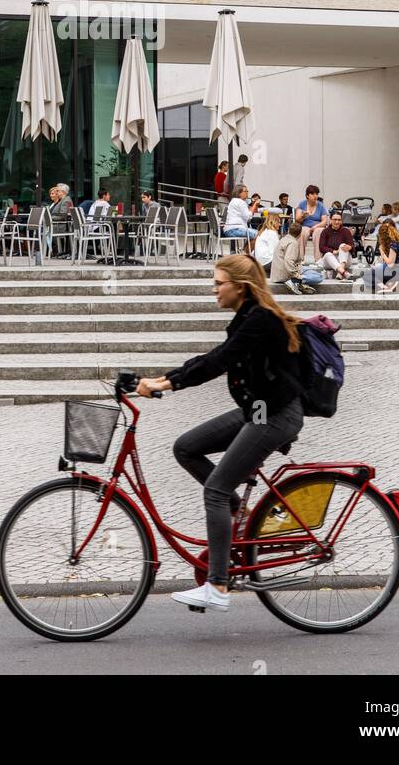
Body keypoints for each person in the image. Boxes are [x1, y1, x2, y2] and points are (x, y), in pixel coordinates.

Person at [136, 254, 304, 611]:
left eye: (218, 283)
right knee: (186, 447)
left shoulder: (260, 319)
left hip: (273, 416)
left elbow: (219, 361)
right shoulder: (248, 316)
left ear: (240, 287)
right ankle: (235, 514)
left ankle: (218, 586)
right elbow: (216, 356)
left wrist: (167, 382)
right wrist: (164, 378)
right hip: (257, 411)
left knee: (214, 488)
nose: (214, 290)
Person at [269, 221, 316, 295]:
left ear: (288, 230)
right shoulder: (293, 243)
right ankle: (295, 282)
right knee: (318, 276)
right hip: (285, 276)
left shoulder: (283, 239)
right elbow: (289, 260)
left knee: (309, 270)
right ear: (300, 234)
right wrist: (297, 276)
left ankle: (298, 284)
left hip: (277, 274)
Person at [367, 221, 399, 294]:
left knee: (368, 275)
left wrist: (382, 251)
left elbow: (390, 264)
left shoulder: (394, 244)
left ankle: (384, 287)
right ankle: (389, 286)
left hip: (396, 273)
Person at [318, 208, 355, 279]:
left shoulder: (346, 231)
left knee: (343, 246)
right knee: (328, 254)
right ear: (330, 220)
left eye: (339, 220)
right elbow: (321, 248)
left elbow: (352, 246)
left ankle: (340, 272)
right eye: (335, 219)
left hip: (344, 259)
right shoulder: (325, 232)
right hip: (330, 260)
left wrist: (350, 247)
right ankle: (344, 272)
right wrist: (333, 251)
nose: (337, 222)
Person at [295, 185, 329, 258]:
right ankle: (300, 259)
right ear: (307, 195)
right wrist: (303, 216)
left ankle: (318, 260)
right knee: (302, 232)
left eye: (316, 194)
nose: (315, 196)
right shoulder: (302, 204)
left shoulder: (321, 205)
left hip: (318, 226)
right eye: (312, 194)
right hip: (305, 226)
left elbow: (324, 221)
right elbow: (297, 219)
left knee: (319, 232)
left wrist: (315, 227)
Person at [222, 186, 258, 254]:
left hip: (230, 229)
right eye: (245, 191)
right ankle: (246, 254)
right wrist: (255, 204)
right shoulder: (241, 202)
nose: (247, 192)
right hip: (235, 229)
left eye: (247, 191)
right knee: (258, 235)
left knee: (253, 234)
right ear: (239, 193)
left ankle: (245, 252)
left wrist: (253, 205)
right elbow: (248, 217)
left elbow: (247, 213)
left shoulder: (234, 201)